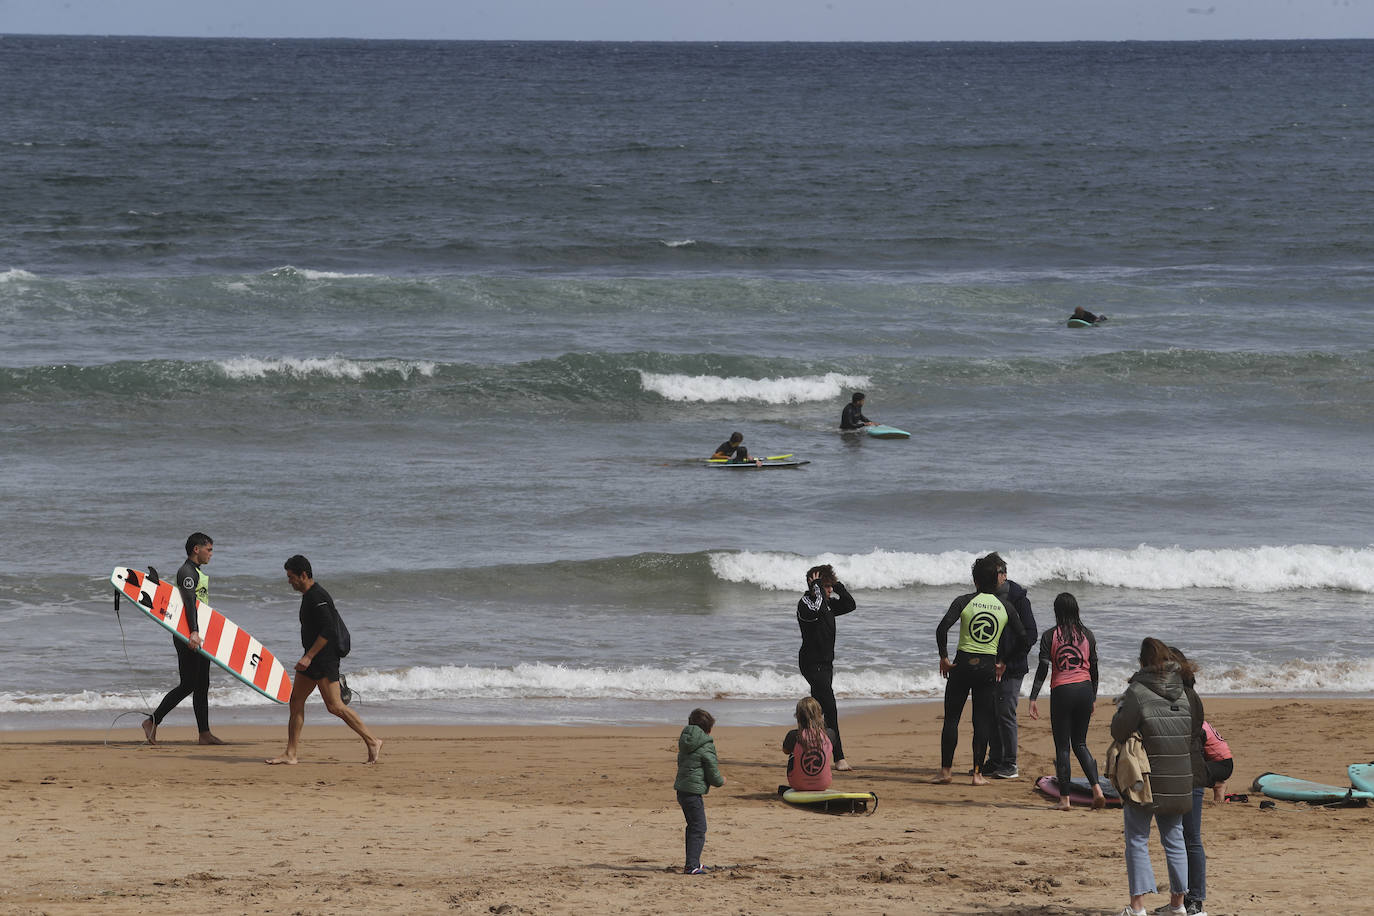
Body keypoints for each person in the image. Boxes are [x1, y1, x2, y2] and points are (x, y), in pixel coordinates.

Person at [266, 555, 382, 765]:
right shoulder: (309, 595)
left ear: (303, 575)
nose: (289, 581)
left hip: (323, 659)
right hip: (312, 659)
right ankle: (291, 753)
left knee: (335, 706)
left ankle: (373, 741)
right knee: (296, 701)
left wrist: (309, 656)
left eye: (291, 577)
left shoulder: (317, 597)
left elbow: (329, 629)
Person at [1109, 637, 1196, 916]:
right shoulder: (1184, 692)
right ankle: (1178, 904)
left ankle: (1137, 908)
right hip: (1180, 777)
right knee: (1174, 838)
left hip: (1145, 778)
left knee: (1137, 838)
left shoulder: (1137, 691)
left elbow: (1119, 730)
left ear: (1143, 662)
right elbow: (1192, 732)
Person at [933, 554, 1027, 785]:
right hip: (987, 669)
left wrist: (944, 657)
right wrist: (1003, 660)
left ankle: (946, 772)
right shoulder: (1005, 607)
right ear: (996, 581)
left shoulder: (963, 601)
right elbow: (1024, 639)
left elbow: (942, 628)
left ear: (975, 581)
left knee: (952, 719)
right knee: (981, 721)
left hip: (962, 666)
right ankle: (977, 774)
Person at [143, 532, 224, 746]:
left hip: (199, 634)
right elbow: (189, 604)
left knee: (202, 684)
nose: (211, 554)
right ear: (196, 549)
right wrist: (194, 632)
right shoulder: (187, 572)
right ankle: (152, 721)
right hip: (188, 635)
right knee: (189, 683)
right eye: (209, 549)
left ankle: (204, 734)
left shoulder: (196, 572)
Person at [1028, 592, 1104, 810]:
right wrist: (1094, 697)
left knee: (1063, 747)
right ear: (1076, 610)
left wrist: (1033, 697)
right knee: (1080, 743)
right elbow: (1095, 669)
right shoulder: (1088, 635)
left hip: (1062, 691)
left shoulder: (1049, 636)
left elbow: (1043, 668)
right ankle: (1097, 789)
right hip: (1085, 690)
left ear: (1056, 612)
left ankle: (1064, 800)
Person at [981, 552, 1037, 780]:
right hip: (989, 664)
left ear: (1003, 575)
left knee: (1005, 712)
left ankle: (1010, 763)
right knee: (991, 713)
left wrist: (1006, 660)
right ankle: (996, 759)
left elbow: (1031, 635)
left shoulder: (1018, 599)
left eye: (991, 575)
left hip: (1012, 666)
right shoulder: (984, 596)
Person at [796, 564, 857, 770]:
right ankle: (839, 758)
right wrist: (816, 587)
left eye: (830, 586)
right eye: (826, 586)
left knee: (817, 710)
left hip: (826, 664)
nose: (829, 590)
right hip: (812, 664)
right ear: (814, 586)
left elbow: (850, 605)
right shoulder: (806, 603)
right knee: (830, 708)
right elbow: (819, 609)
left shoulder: (828, 603)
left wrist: (837, 585)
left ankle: (809, 748)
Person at [1167, 647, 1212, 916]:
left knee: (1189, 838)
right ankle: (1181, 900)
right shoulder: (1190, 695)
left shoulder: (1183, 696)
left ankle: (1194, 899)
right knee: (1180, 838)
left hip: (1188, 772)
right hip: (1187, 771)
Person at [674, 707, 724, 875]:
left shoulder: (684, 742)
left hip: (682, 791)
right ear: (708, 730)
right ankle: (691, 866)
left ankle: (693, 862)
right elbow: (712, 769)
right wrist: (720, 781)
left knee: (693, 826)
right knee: (699, 828)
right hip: (692, 793)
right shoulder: (706, 745)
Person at [782, 696, 836, 791]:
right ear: (819, 715)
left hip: (798, 785)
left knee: (792, 755)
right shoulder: (830, 734)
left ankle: (803, 778)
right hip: (823, 784)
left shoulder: (794, 735)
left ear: (798, 716)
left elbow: (785, 751)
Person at [1202, 720, 1234, 804]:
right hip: (1214, 763)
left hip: (1223, 766)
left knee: (1191, 770)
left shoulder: (1199, 728)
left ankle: (1218, 785)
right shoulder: (1199, 722)